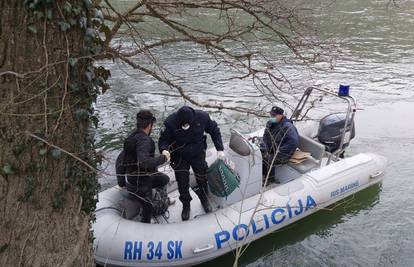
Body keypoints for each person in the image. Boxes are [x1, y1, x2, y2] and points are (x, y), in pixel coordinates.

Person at [159, 106, 225, 221]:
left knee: (202, 177)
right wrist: (164, 150)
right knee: (182, 182)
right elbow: (163, 140)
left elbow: (214, 130)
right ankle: (186, 205)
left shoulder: (203, 117)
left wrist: (219, 149)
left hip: (197, 152)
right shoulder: (170, 122)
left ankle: (204, 199)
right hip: (179, 155)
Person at [122, 110, 170, 223]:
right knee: (147, 208)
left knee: (164, 179)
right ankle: (153, 215)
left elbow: (121, 159)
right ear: (150, 125)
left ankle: (162, 201)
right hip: (142, 183)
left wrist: (121, 182)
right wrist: (163, 158)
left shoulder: (130, 138)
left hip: (132, 179)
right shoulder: (145, 140)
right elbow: (143, 162)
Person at [262, 106, 299, 183]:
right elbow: (265, 136)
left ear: (281, 115)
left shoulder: (288, 127)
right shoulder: (270, 123)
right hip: (271, 148)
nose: (272, 117)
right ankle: (261, 173)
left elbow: (293, 143)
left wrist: (278, 151)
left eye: (274, 115)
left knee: (268, 159)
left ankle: (270, 179)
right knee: (259, 155)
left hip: (283, 152)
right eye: (271, 115)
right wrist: (265, 147)